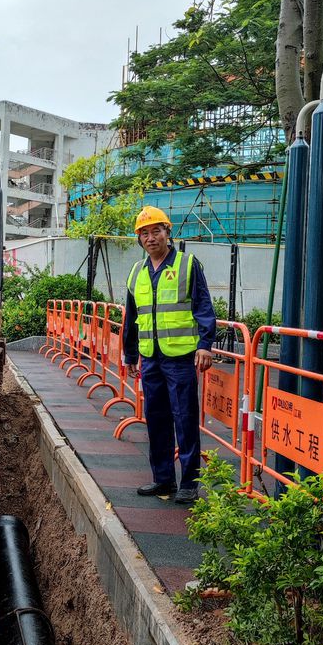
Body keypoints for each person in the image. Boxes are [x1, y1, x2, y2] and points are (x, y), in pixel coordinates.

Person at [123, 207, 216, 504]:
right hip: (150, 358)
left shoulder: (188, 265)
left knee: (185, 419)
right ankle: (163, 479)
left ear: (167, 232)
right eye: (144, 233)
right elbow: (131, 317)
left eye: (156, 231)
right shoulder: (137, 272)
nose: (151, 238)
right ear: (139, 239)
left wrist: (205, 344)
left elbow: (203, 306)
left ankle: (189, 481)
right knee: (157, 418)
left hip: (180, 358)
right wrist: (130, 354)